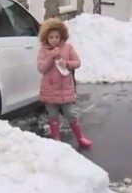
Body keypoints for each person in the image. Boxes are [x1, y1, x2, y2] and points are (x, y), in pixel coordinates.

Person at [37, 18, 93, 150]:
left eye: (57, 36)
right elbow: (41, 68)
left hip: (65, 89)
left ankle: (80, 138)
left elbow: (77, 62)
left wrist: (67, 63)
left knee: (71, 113)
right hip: (49, 89)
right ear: (46, 37)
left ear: (61, 36)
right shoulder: (43, 51)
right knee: (52, 114)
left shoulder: (68, 48)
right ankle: (56, 139)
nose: (54, 39)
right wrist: (51, 56)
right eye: (51, 37)